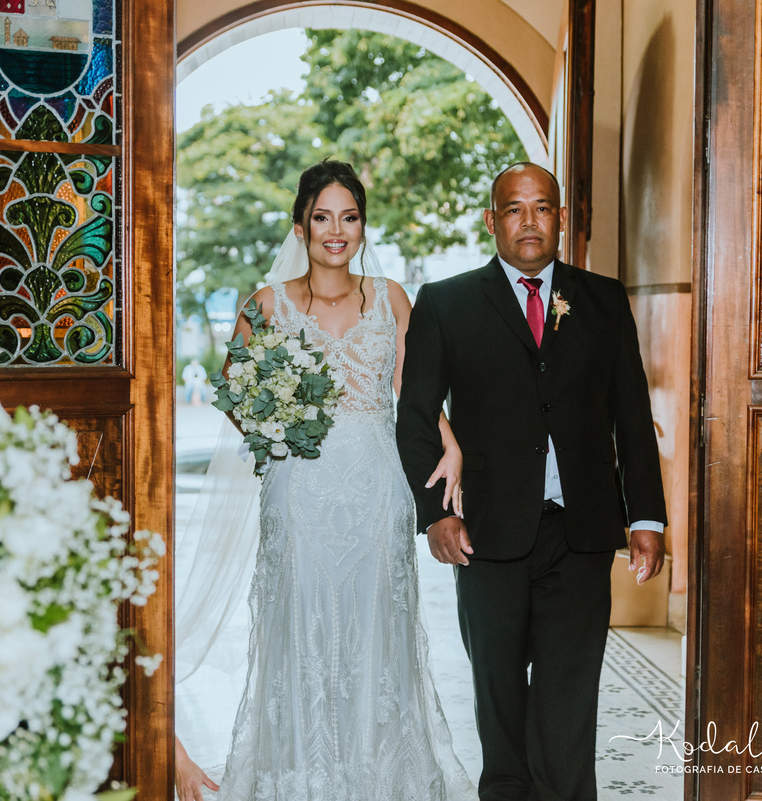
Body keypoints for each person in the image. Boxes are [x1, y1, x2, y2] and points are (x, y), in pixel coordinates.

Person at [203, 159, 475, 800]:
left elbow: (415, 395)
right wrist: (278, 422)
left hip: (377, 492)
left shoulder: (392, 299)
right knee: (300, 632)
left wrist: (452, 442)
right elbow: (236, 396)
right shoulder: (265, 305)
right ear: (300, 225)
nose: (336, 230)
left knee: (375, 631)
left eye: (348, 217)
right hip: (298, 495)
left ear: (361, 225)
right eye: (322, 217)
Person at [396, 162, 668, 801]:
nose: (529, 221)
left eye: (542, 208)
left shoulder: (602, 299)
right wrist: (437, 514)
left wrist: (647, 519)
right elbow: (414, 415)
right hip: (486, 536)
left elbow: (631, 414)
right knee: (498, 700)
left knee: (569, 699)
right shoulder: (448, 302)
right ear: (492, 220)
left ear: (561, 219)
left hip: (581, 534)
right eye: (513, 209)